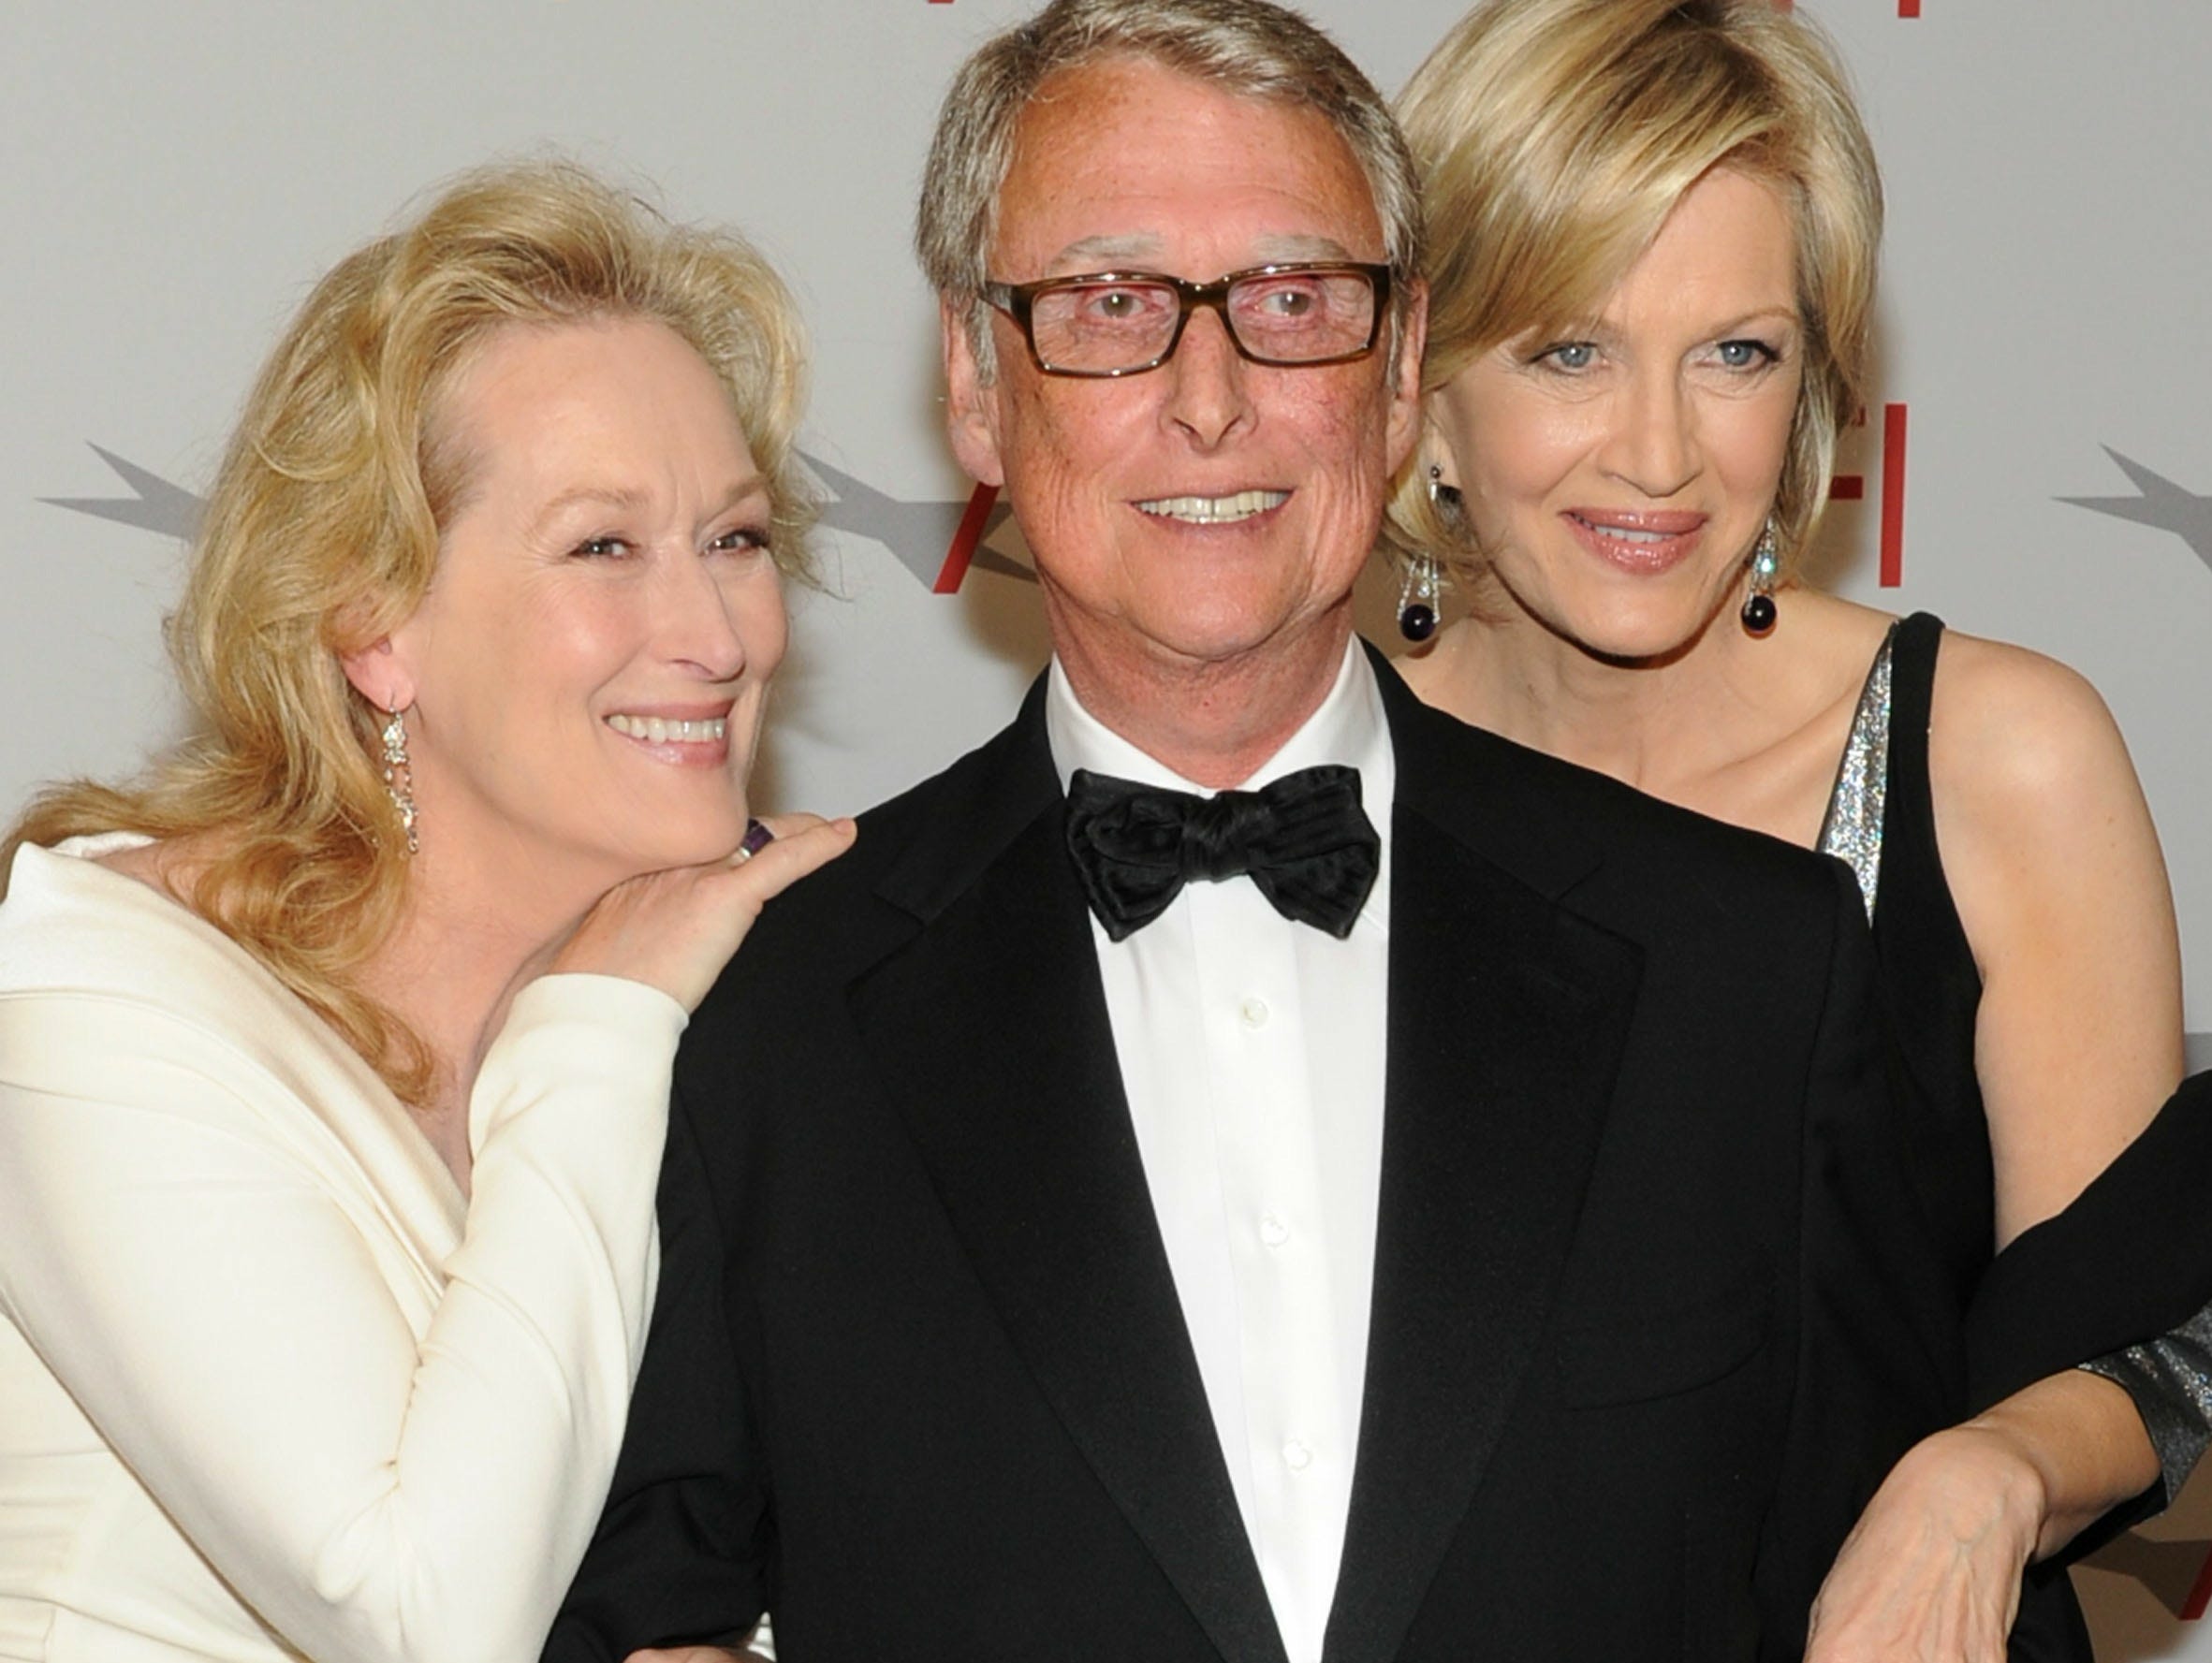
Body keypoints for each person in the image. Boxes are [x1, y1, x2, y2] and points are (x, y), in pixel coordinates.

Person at [541, 3, 2014, 1658]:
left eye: (1294, 301)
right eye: (1111, 306)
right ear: (974, 379)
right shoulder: (758, 1011)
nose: (1212, 398)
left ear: (1397, 373)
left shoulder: (1750, 971)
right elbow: (630, 1610)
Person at [1387, 1, 2212, 1656]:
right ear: (1421, 380)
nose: (1660, 452)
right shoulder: (1310, 757)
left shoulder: (1992, 759)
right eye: (1568, 348)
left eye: (1736, 353)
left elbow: (2147, 1340)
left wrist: (1984, 1475)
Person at [0, 160, 854, 1663]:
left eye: (734, 537)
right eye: (605, 546)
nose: (716, 634)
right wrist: (598, 1022)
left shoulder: (770, 993)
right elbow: (423, 1611)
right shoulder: (95, 1003)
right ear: (375, 624)